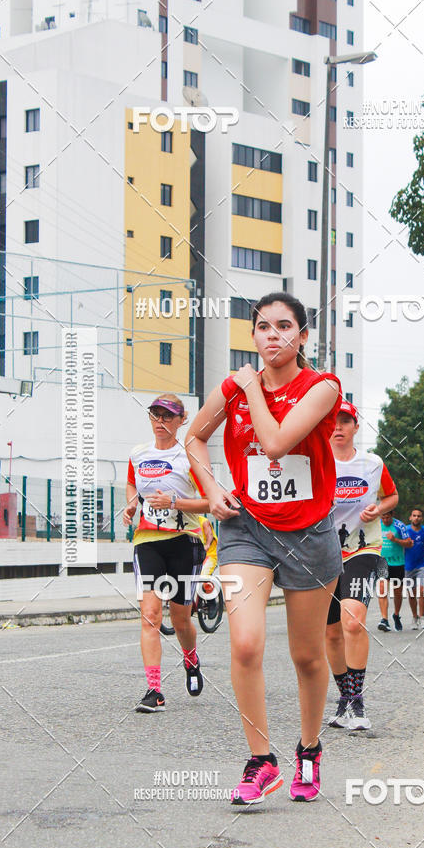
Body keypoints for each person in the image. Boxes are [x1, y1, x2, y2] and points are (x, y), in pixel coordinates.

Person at [185, 292, 342, 805]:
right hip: (245, 529)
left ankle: (310, 750)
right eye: (262, 327)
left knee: (307, 656)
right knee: (246, 644)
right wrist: (211, 491)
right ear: (252, 336)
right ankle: (261, 760)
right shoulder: (232, 387)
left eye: (284, 326)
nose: (272, 335)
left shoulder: (322, 388)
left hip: (308, 535)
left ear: (301, 336)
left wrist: (250, 388)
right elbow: (194, 438)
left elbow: (275, 444)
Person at [123, 394, 209, 712]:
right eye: (155, 415)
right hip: (147, 540)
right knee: (151, 616)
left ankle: (191, 660)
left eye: (167, 417)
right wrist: (132, 503)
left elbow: (209, 503)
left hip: (183, 541)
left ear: (181, 420)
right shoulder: (138, 453)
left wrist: (173, 503)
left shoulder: (189, 457)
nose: (160, 422)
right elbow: (132, 485)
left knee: (181, 618)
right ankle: (154, 690)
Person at [325, 400, 398, 730]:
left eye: (346, 421)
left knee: (352, 621)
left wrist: (379, 508)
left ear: (356, 427)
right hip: (322, 555)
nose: (338, 427)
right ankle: (344, 699)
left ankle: (357, 701)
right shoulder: (315, 464)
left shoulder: (372, 463)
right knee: (331, 632)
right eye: (333, 421)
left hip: (364, 548)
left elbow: (392, 496)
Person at [377, 511, 413, 633]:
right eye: (383, 517)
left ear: (392, 515)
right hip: (382, 561)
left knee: (397, 593)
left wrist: (395, 539)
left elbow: (409, 543)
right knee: (382, 590)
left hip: (397, 563)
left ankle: (396, 615)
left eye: (387, 517)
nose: (385, 520)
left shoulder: (400, 525)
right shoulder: (376, 525)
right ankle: (384, 619)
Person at [404, 508, 424, 630]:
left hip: (423, 565)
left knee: (422, 590)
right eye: (414, 515)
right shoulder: (405, 530)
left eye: (419, 516)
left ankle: (422, 617)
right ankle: (414, 617)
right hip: (408, 565)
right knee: (411, 594)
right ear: (410, 517)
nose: (416, 518)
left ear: (422, 518)